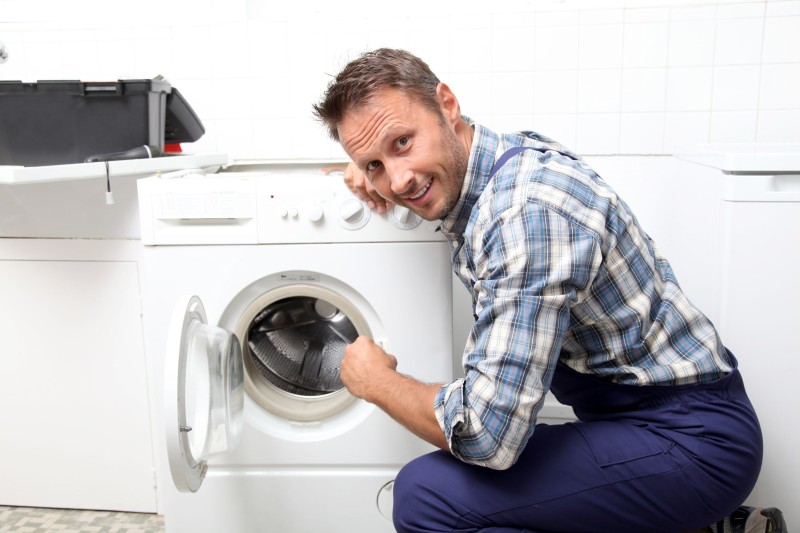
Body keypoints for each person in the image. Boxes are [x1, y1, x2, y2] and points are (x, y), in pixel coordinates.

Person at [312, 48, 784, 533]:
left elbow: (489, 436)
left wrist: (376, 383)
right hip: (645, 421)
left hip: (693, 442)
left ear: (447, 105)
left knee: (424, 497)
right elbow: (422, 175)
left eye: (403, 142)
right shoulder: (495, 162)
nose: (398, 178)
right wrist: (382, 163)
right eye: (373, 164)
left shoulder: (526, 213)